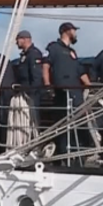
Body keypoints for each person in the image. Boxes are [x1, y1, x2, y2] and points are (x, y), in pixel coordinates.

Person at [43, 22, 91, 159]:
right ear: (66, 31)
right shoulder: (53, 48)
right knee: (64, 126)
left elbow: (80, 72)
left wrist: (91, 87)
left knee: (81, 123)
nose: (75, 33)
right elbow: (46, 66)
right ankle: (64, 156)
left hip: (76, 94)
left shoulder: (73, 52)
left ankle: (81, 154)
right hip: (62, 93)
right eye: (74, 30)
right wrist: (47, 85)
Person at [13, 30, 43, 128]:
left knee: (32, 118)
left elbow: (36, 76)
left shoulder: (34, 54)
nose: (16, 42)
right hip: (24, 92)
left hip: (31, 94)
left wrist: (31, 93)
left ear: (25, 39)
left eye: (18, 39)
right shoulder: (25, 55)